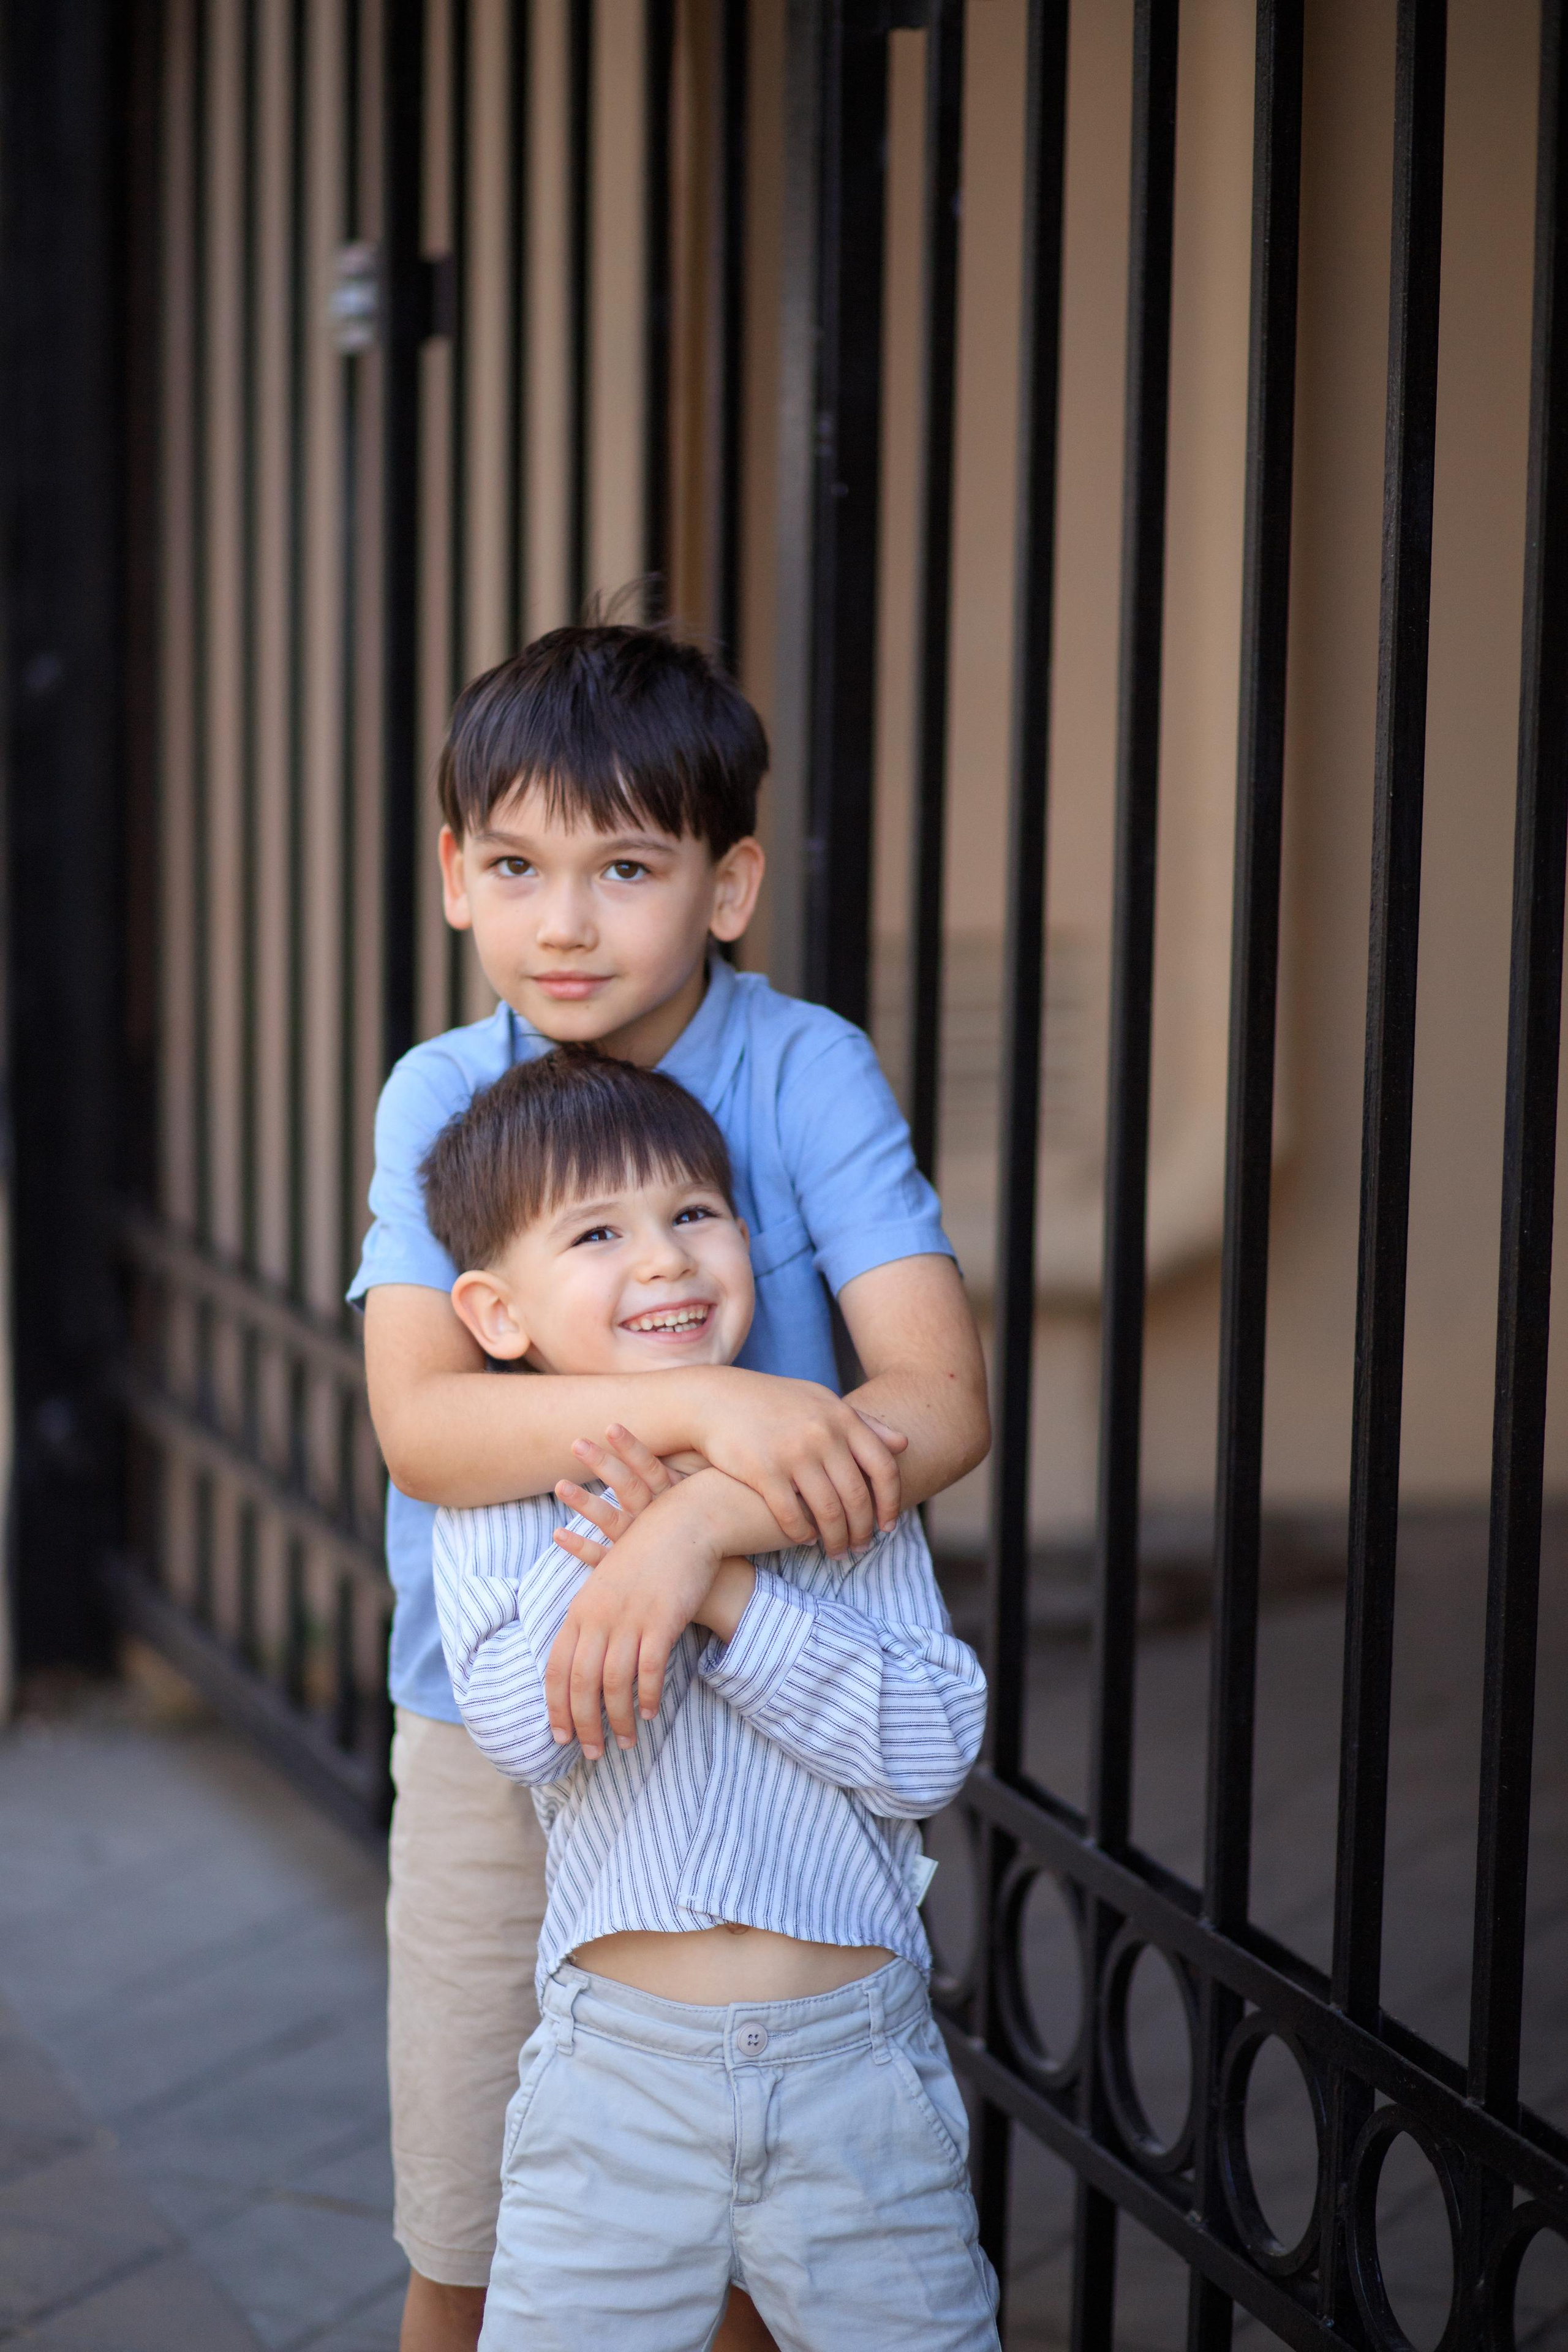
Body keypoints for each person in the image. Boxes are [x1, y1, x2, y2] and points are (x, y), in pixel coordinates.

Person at [349, 624, 990, 2352]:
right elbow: (426, 1427)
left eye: (625, 866)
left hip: (772, 1714)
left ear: (727, 885)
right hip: (500, 1725)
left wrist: (698, 1526)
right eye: (517, 866)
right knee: (480, 2226)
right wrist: (722, 1406)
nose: (565, 922)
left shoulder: (803, 1071)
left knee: (759, 2227)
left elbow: (936, 1401)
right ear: (454, 879)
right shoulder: (446, 1093)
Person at [424, 1047, 1000, 2348]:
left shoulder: (831, 1468)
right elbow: (527, 1728)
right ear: (498, 1316)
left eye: (693, 1214)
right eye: (598, 1232)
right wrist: (623, 1561)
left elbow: (925, 1748)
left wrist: (717, 1576)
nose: (668, 1258)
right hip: (616, 2080)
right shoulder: (505, 1502)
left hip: (855, 2070)